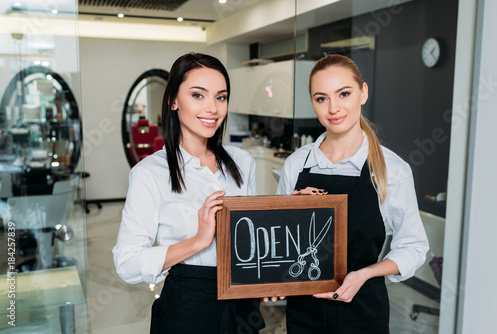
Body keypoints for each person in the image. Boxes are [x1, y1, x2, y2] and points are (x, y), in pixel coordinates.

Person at [276, 54, 429, 333]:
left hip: (363, 311)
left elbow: (414, 247)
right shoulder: (296, 164)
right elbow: (281, 245)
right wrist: (285, 212)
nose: (333, 108)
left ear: (363, 93)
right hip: (303, 313)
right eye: (321, 98)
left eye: (343, 93)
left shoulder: (392, 170)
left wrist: (366, 273)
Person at [113, 53, 265, 334]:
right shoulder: (149, 174)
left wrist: (295, 211)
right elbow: (127, 264)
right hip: (187, 306)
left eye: (221, 97)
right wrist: (198, 241)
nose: (212, 108)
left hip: (242, 302)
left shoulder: (243, 162)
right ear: (173, 100)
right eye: (198, 95)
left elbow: (253, 239)